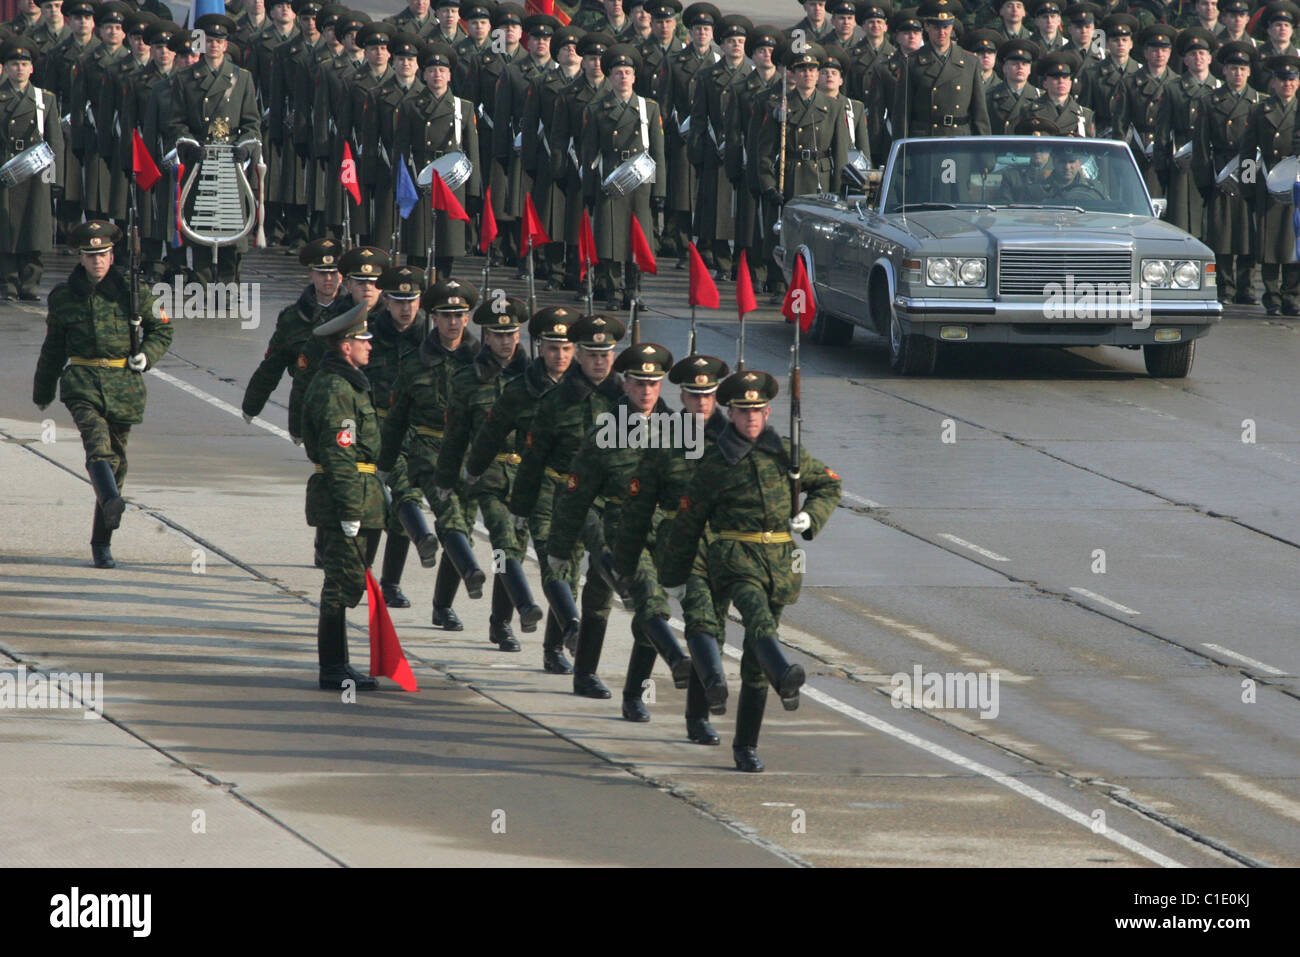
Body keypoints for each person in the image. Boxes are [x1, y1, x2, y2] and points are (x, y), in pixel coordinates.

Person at [658, 369, 841, 773]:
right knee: (757, 622)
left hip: (778, 561)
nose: (752, 418)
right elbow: (689, 523)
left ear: (768, 410)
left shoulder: (786, 454)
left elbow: (830, 485)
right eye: (743, 411)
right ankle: (784, 674)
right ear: (732, 413)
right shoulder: (716, 462)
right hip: (732, 557)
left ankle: (746, 745)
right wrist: (673, 577)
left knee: (754, 659)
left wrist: (810, 518)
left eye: (758, 410)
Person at [546, 340, 693, 721]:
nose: (646, 392)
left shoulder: (679, 431)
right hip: (614, 527)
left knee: (598, 598)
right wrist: (560, 550)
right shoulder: (604, 431)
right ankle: (673, 659)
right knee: (647, 598)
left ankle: (609, 683)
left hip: (659, 532)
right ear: (624, 385)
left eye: (654, 384)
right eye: (638, 384)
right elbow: (577, 495)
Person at [32, 221, 172, 569]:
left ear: (113, 255)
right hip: (82, 381)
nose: (98, 261)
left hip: (123, 384)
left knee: (117, 463)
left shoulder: (134, 291)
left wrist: (147, 354)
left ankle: (101, 541)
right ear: (80, 257)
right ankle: (110, 498)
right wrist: (43, 390)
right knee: (97, 445)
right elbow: (53, 348)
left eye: (104, 254)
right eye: (91, 255)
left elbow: (163, 329)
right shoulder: (64, 297)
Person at [611, 353, 731, 744]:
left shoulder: (734, 443)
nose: (702, 403)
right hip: (662, 537)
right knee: (653, 611)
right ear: (682, 397)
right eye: (694, 396)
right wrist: (626, 562)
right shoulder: (663, 438)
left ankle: (698, 718)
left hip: (712, 546)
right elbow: (640, 502)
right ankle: (635, 693)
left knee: (710, 630)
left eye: (709, 395)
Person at [510, 314, 626, 697]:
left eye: (605, 354)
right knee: (555, 563)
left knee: (599, 581)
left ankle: (563, 650)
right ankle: (568, 632)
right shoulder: (556, 402)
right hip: (555, 492)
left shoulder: (624, 399)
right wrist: (520, 508)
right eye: (592, 354)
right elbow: (532, 459)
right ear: (581, 357)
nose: (599, 361)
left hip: (604, 503)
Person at [463, 306, 579, 673]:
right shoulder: (522, 389)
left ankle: (553, 645)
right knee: (505, 548)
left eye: (566, 348)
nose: (559, 356)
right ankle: (508, 617)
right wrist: (468, 474)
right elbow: (489, 434)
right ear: (540, 348)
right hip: (513, 483)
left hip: (570, 490)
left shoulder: (587, 391)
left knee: (568, 569)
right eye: (552, 348)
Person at [435, 295, 545, 652]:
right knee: (495, 539)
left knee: (510, 548)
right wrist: (447, 479)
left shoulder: (536, 380)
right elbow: (455, 435)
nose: (506, 341)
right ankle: (508, 610)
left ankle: (500, 623)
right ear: (485, 337)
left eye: (511, 333)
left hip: (525, 477)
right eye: (498, 335)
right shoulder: (469, 380)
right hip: (484, 473)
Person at [379, 276, 489, 627]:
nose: (453, 322)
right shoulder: (415, 362)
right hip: (423, 446)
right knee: (428, 513)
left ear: (468, 318)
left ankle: (443, 606)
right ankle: (397, 577)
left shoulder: (483, 364)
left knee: (463, 528)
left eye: (460, 315)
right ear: (435, 319)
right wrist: (385, 463)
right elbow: (396, 419)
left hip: (466, 455)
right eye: (445, 315)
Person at [300, 302, 384, 691]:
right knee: (339, 583)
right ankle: (333, 667)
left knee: (349, 583)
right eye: (362, 339)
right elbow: (339, 452)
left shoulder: (348, 381)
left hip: (361, 495)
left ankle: (339, 664)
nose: (369, 345)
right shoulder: (335, 388)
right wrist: (350, 509)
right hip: (343, 499)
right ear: (344, 346)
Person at [165, 12, 261, 283]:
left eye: (219, 40)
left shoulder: (242, 78)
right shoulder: (185, 79)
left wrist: (245, 147)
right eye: (209, 40)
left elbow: (252, 123)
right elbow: (176, 123)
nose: (214, 46)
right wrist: (189, 145)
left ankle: (229, 283)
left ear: (226, 44)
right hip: (201, 161)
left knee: (232, 225)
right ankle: (203, 283)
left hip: (231, 163)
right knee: (202, 224)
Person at [581, 42, 667, 308]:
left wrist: (659, 191)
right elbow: (589, 153)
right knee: (609, 239)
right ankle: (612, 291)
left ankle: (634, 290)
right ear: (610, 76)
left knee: (636, 239)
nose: (623, 77)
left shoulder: (648, 108)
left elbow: (658, 153)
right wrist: (588, 189)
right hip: (610, 179)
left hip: (639, 182)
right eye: (618, 72)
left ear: (635, 76)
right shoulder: (597, 109)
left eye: (627, 72)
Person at [394, 40, 480, 276]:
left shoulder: (463, 108)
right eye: (431, 71)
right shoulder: (411, 106)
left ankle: (442, 280)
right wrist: (402, 183)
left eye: (442, 70)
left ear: (450, 75)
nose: (437, 75)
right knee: (419, 242)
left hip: (453, 181)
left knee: (447, 240)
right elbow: (401, 149)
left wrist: (473, 191)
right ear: (424, 75)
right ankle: (416, 281)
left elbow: (473, 151)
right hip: (421, 178)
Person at [1192, 39, 1259, 304]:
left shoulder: (1258, 102)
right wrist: (1207, 180)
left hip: (1246, 167)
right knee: (1220, 232)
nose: (1238, 74)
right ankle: (1224, 286)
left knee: (1246, 231)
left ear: (1250, 72)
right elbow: (1200, 144)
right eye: (1233, 68)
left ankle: (1246, 287)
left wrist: (1251, 180)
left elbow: (1258, 148)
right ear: (1224, 71)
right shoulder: (1210, 102)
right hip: (1220, 169)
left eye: (1242, 69)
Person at [689, 13, 751, 279]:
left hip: (742, 151)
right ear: (722, 45)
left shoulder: (752, 75)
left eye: (740, 41)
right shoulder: (707, 76)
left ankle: (740, 262)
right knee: (717, 209)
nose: (735, 46)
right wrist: (697, 152)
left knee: (741, 211)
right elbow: (699, 119)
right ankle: (722, 262)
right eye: (730, 41)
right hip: (715, 150)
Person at [1238, 53, 1300, 316]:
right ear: (1273, 82)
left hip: (1297, 184)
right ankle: (1272, 296)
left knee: (1294, 243)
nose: (1287, 84)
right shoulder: (1261, 110)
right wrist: (1248, 186)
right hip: (1270, 183)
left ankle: (1293, 295)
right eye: (1282, 79)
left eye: (1292, 79)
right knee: (1271, 243)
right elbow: (1248, 152)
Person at [0, 38, 61, 301]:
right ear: (5, 67)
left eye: (25, 64)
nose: (20, 69)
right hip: (6, 169)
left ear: (32, 68)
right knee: (6, 228)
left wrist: (55, 179)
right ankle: (8, 281)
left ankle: (31, 280)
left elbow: (55, 140)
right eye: (14, 64)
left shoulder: (44, 99)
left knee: (34, 227)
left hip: (36, 171)